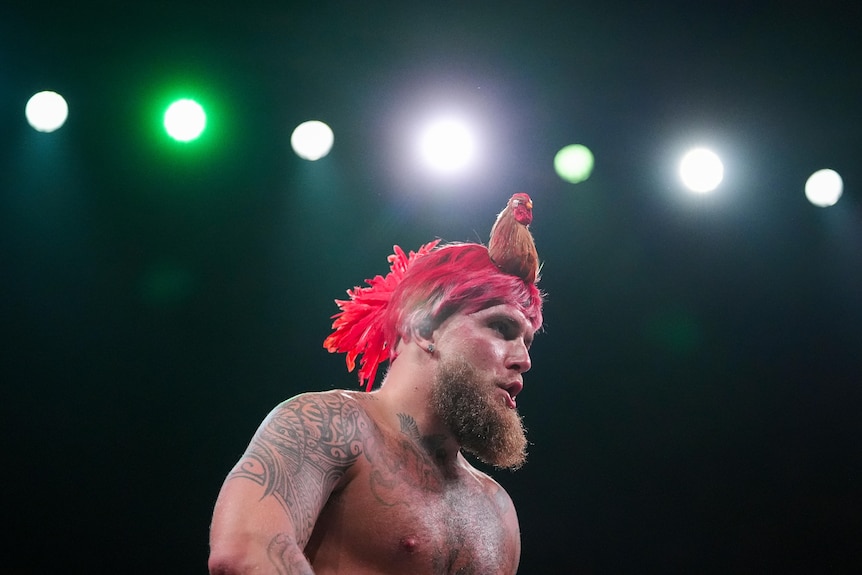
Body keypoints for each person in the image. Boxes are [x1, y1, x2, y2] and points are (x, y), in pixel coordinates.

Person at [208, 228, 544, 574]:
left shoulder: (497, 509)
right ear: (426, 328)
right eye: (502, 328)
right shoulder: (329, 425)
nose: (523, 359)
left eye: (527, 342)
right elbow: (246, 552)